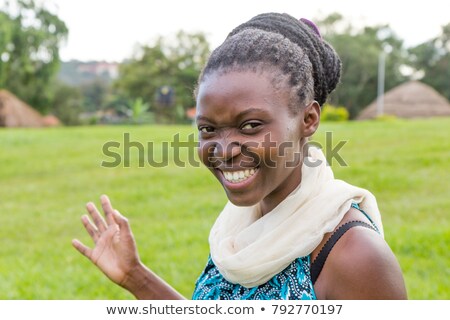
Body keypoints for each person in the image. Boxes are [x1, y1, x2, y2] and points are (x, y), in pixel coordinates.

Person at [72, 12, 407, 300]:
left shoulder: (354, 256)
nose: (224, 150)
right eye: (208, 130)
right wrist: (136, 276)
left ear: (309, 120)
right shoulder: (238, 226)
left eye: (249, 126)